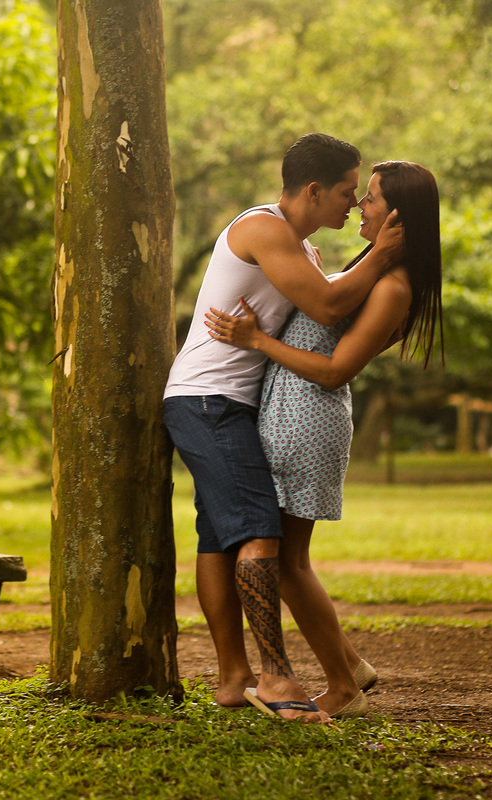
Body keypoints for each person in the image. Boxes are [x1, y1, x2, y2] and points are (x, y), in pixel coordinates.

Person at [163, 133, 404, 722]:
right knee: (259, 531)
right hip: (207, 398)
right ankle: (273, 678)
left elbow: (330, 307)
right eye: (348, 192)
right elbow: (326, 308)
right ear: (314, 190)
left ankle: (233, 678)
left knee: (220, 537)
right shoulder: (263, 229)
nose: (352, 204)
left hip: (236, 404)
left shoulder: (307, 253)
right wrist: (384, 252)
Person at [205, 160, 444, 718]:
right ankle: (351, 666)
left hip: (308, 422)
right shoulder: (374, 270)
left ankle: (342, 684)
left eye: (374, 199)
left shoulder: (393, 286)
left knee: (289, 562)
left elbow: (336, 370)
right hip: (289, 413)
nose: (362, 205)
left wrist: (257, 341)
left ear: (399, 218)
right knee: (286, 558)